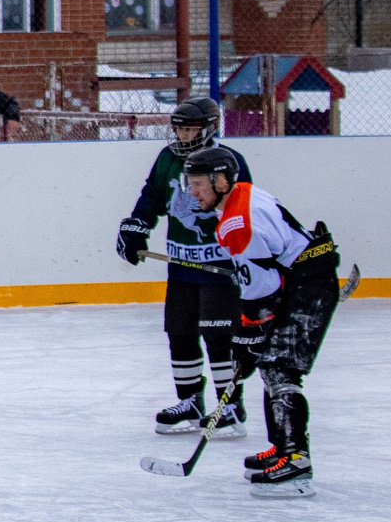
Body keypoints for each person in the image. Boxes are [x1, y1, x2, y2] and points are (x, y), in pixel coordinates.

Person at [188, 147, 341, 497]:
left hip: (308, 287)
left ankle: (296, 460)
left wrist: (248, 336)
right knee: (272, 366)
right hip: (299, 280)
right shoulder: (241, 196)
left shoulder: (239, 222)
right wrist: (251, 336)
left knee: (279, 366)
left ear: (220, 181)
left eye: (197, 184)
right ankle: (282, 448)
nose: (192, 192)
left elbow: (261, 290)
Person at [116, 100, 251, 436]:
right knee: (180, 332)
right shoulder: (167, 158)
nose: (183, 136)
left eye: (190, 129)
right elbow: (152, 196)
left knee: (218, 335)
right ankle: (190, 401)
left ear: (209, 128)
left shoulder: (227, 161)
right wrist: (136, 226)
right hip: (181, 265)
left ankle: (230, 405)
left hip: (218, 266)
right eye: (179, 129)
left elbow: (244, 208)